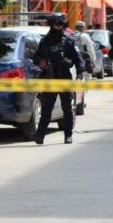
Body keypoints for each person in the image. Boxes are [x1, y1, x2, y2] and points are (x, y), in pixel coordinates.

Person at [33, 13, 84, 145]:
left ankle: (68, 135)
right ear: (52, 25)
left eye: (61, 24)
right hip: (50, 78)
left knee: (67, 108)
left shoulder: (68, 40)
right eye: (57, 24)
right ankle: (40, 136)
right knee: (46, 109)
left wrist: (80, 73)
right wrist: (41, 62)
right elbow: (36, 57)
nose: (59, 26)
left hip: (64, 78)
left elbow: (78, 59)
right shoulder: (44, 41)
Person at [72, 21, 97, 116]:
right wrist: (93, 61)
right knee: (84, 81)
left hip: (74, 62)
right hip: (84, 61)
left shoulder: (72, 35)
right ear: (83, 27)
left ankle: (78, 99)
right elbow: (90, 49)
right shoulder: (85, 36)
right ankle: (81, 100)